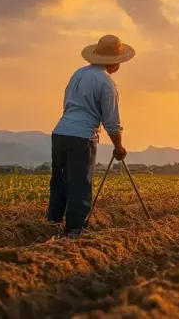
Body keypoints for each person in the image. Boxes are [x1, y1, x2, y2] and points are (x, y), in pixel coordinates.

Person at [47, 34, 135, 237]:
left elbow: (67, 102)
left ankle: (53, 221)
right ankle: (76, 229)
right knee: (80, 182)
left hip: (60, 131)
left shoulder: (78, 73)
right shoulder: (106, 83)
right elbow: (111, 120)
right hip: (82, 136)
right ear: (116, 63)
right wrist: (118, 146)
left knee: (60, 179)